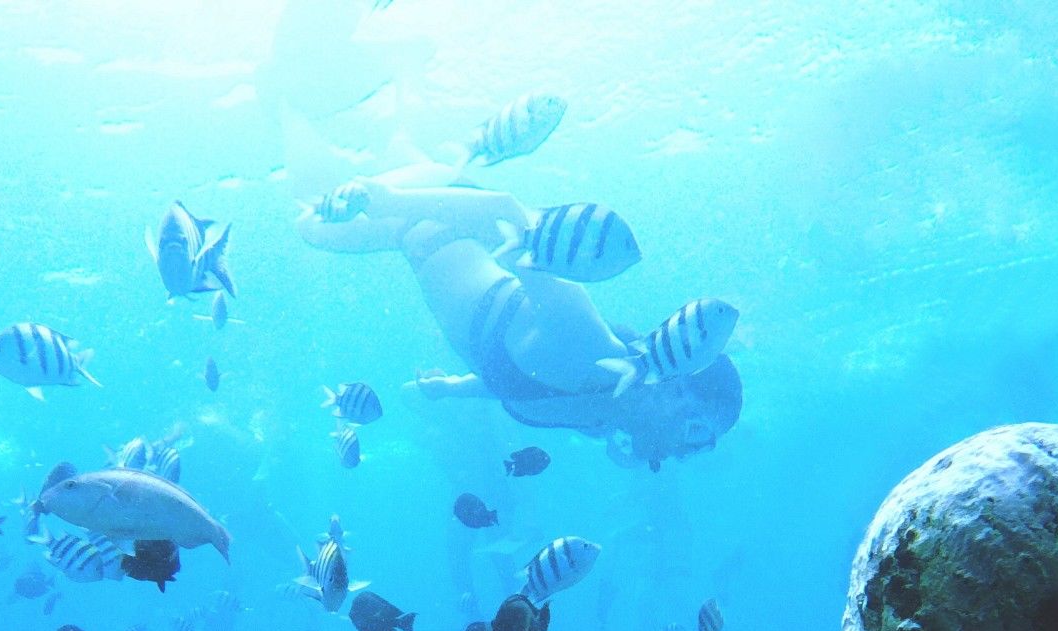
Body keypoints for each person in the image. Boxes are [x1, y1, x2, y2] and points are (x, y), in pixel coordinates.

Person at [296, 173, 742, 472]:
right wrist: (389, 200)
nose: (688, 453)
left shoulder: (600, 419)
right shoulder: (586, 341)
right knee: (304, 222)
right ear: (675, 385)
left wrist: (452, 388)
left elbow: (523, 383)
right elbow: (512, 214)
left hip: (419, 234)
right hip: (425, 217)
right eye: (697, 431)